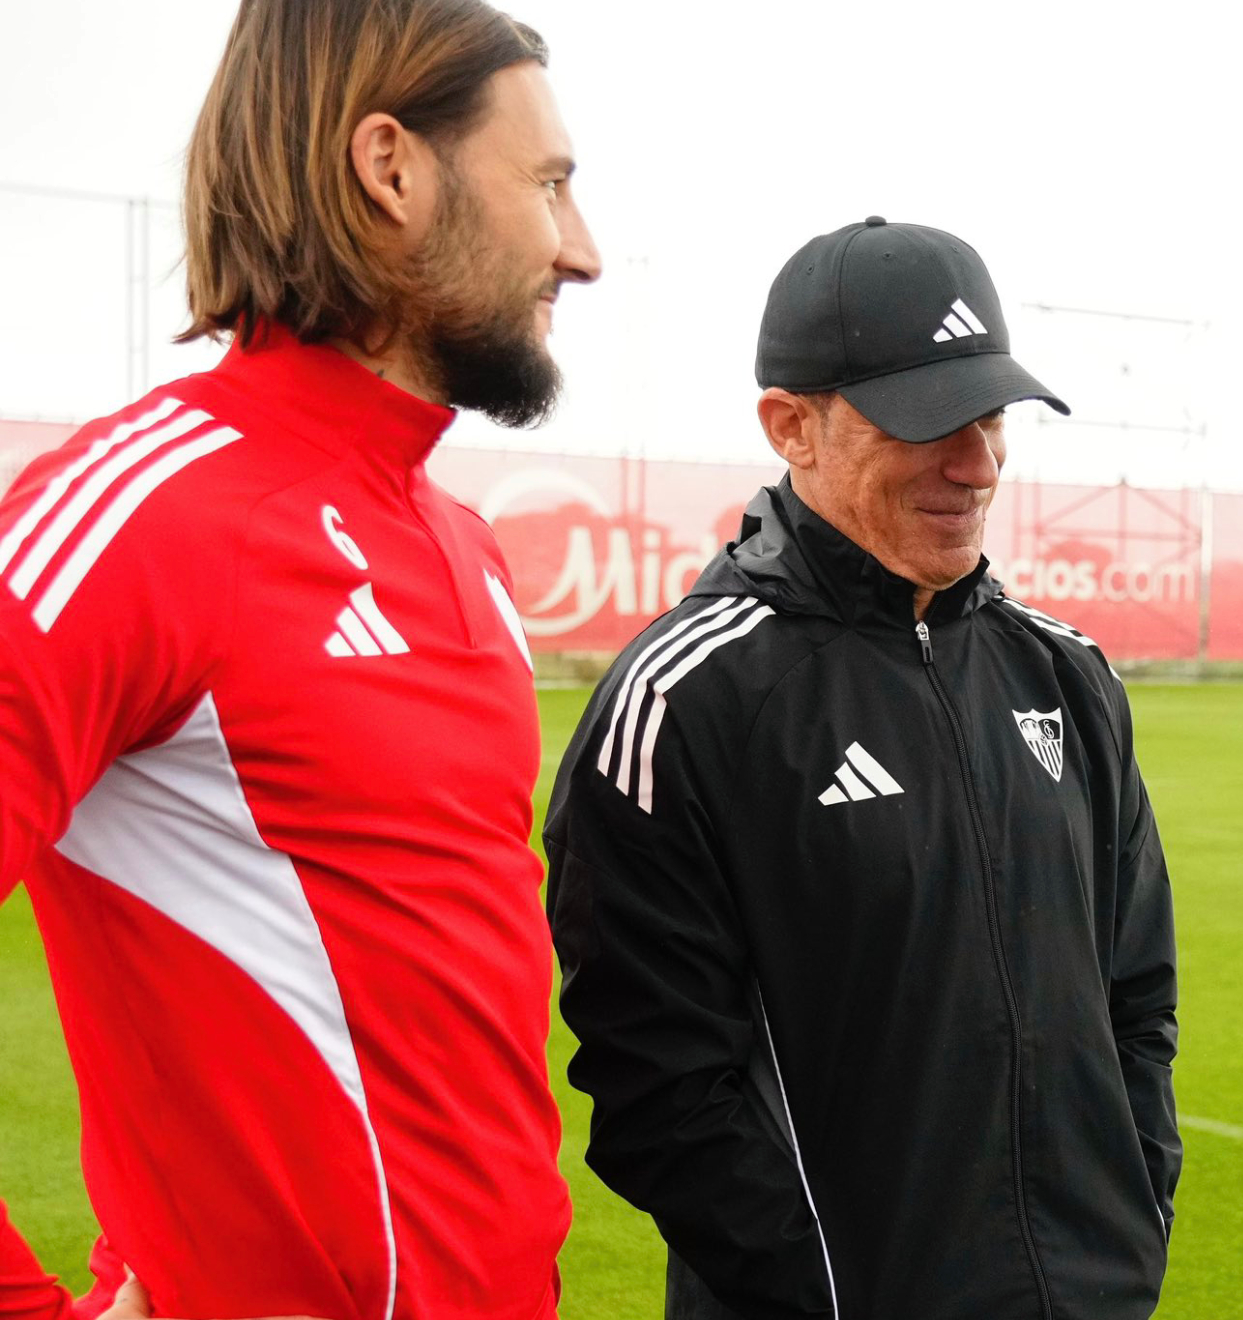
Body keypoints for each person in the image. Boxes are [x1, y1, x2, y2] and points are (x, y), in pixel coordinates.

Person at [0, 1, 599, 1316]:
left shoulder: (462, 547)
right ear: (391, 168)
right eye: (549, 186)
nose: (584, 251)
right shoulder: (137, 517)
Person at [545, 217, 1181, 1319]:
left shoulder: (1072, 679)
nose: (977, 463)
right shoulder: (685, 700)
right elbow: (658, 1093)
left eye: (990, 417)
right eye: (931, 421)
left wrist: (1132, 1223)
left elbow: (1136, 1000)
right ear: (792, 427)